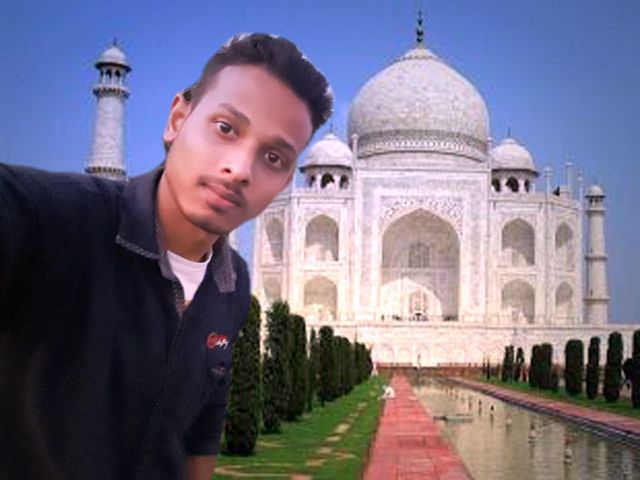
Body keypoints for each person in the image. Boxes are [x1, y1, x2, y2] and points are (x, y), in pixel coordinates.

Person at [0, 33, 333, 480]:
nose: (239, 169)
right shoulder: (52, 217)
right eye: (226, 128)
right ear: (178, 119)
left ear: (286, 182)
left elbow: (202, 426)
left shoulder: (232, 281)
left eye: (273, 156)